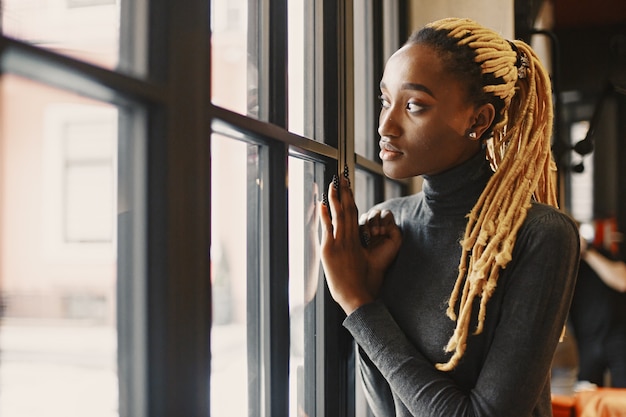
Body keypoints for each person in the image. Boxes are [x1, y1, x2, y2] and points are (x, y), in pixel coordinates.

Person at [319, 17, 580, 416]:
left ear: (478, 120)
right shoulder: (388, 225)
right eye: (385, 101)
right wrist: (368, 291)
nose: (386, 126)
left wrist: (359, 303)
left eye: (414, 106)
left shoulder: (539, 234)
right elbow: (383, 405)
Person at [568, 228, 626, 387]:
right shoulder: (568, 266)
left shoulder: (603, 254)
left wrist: (586, 252)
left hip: (617, 338)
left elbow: (622, 281)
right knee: (586, 396)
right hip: (585, 341)